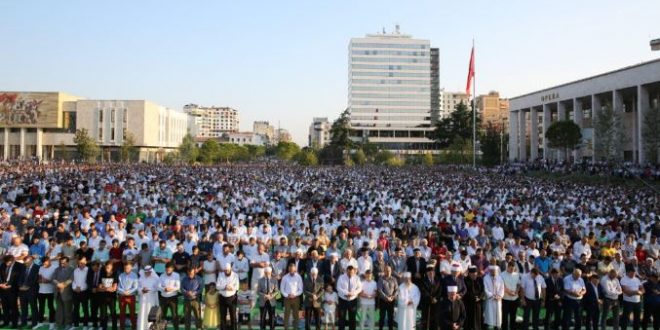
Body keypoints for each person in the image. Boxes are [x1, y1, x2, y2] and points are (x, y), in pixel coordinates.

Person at [0, 254, 24, 328]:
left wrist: (11, 285)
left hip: (13, 290)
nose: (7, 264)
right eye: (6, 262)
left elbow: (20, 278)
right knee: (4, 307)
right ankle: (6, 322)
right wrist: (1, 284)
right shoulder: (3, 265)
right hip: (3, 290)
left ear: (13, 260)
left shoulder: (20, 266)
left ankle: (14, 323)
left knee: (13, 307)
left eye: (9, 262)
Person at [337, 265, 362, 330]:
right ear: (346, 271)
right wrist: (347, 293)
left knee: (352, 318)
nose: (350, 274)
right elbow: (338, 288)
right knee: (342, 318)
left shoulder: (357, 278)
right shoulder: (341, 277)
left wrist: (353, 293)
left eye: (351, 273)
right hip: (343, 300)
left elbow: (360, 288)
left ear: (354, 272)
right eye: (348, 272)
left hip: (353, 300)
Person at [18, 254, 40, 328]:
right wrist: (20, 286)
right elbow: (19, 277)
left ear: (31, 261)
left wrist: (27, 286)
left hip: (32, 290)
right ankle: (23, 322)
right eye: (25, 262)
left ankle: (34, 323)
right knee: (23, 307)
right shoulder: (23, 267)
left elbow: (35, 279)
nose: (26, 264)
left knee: (33, 307)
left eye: (27, 262)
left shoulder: (37, 267)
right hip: (22, 291)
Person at [281, 262, 304, 330]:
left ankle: (295, 328)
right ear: (289, 269)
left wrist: (294, 295)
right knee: (286, 315)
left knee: (296, 315)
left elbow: (301, 289)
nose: (292, 271)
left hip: (296, 298)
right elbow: (282, 289)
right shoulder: (284, 277)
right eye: (290, 270)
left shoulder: (298, 277)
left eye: (293, 270)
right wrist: (287, 295)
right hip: (287, 299)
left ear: (295, 269)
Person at [158, 262, 181, 330]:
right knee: (162, 315)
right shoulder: (162, 275)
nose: (168, 271)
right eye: (167, 269)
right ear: (165, 269)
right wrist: (164, 289)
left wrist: (171, 289)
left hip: (173, 298)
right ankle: (162, 328)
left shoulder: (176, 275)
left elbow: (178, 287)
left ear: (173, 269)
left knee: (174, 315)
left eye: (169, 270)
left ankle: (176, 328)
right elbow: (158, 286)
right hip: (163, 298)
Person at [217, 262, 239, 330]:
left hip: (232, 298)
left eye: (228, 270)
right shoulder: (220, 275)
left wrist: (231, 288)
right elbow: (217, 286)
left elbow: (237, 287)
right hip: (222, 298)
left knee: (233, 316)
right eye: (225, 270)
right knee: (223, 317)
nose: (226, 272)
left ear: (230, 269)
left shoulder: (235, 275)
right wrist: (225, 287)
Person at [137, 265, 160, 330]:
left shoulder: (156, 278)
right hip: (143, 299)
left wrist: (148, 289)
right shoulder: (141, 278)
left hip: (151, 299)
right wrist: (142, 290)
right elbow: (138, 288)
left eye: (149, 272)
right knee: (142, 313)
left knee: (151, 314)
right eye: (146, 272)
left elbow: (157, 288)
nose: (147, 273)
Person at [420, 265, 442, 330]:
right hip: (426, 304)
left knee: (435, 321)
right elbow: (423, 291)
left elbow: (440, 290)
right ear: (427, 273)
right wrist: (431, 298)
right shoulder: (423, 281)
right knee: (425, 321)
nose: (431, 273)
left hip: (436, 304)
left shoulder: (438, 280)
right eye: (429, 272)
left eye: (432, 272)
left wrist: (436, 298)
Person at [98, 260, 119, 330]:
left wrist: (105, 288)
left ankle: (114, 327)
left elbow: (114, 288)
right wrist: (107, 288)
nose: (107, 269)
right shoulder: (102, 272)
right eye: (106, 267)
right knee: (103, 314)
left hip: (112, 297)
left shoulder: (115, 273)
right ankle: (104, 327)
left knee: (113, 312)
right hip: (102, 297)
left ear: (112, 267)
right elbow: (99, 287)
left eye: (109, 267)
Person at [118, 262, 139, 330]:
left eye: (128, 268)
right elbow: (118, 287)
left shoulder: (134, 275)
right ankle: (122, 328)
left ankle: (134, 327)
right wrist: (124, 292)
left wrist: (128, 292)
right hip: (122, 296)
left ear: (131, 268)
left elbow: (136, 287)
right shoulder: (121, 275)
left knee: (132, 313)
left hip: (131, 296)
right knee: (122, 313)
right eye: (125, 268)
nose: (126, 269)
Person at [377, 265, 398, 330]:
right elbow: (380, 290)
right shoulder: (381, 279)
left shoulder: (394, 279)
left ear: (391, 271)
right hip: (383, 301)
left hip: (391, 301)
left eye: (389, 270)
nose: (388, 272)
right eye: (386, 270)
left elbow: (396, 289)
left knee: (390, 318)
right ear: (384, 271)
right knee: (382, 317)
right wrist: (386, 297)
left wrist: (393, 297)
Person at [501, 262, 521, 330]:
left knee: (513, 316)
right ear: (508, 267)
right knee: (505, 316)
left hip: (515, 299)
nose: (512, 270)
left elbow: (518, 284)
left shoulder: (516, 274)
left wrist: (516, 291)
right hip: (505, 299)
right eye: (511, 268)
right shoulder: (502, 274)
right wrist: (509, 292)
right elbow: (502, 286)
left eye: (513, 269)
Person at [463, 266, 485, 330]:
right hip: (468, 303)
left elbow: (483, 290)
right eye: (473, 275)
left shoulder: (480, 279)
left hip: (478, 303)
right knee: (468, 320)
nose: (474, 276)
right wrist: (472, 297)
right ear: (469, 274)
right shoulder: (465, 280)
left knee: (478, 319)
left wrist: (479, 297)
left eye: (475, 274)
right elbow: (465, 291)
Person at [484, 265, 504, 330]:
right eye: (492, 271)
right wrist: (492, 296)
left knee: (498, 316)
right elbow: (485, 289)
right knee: (489, 315)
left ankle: (497, 327)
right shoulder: (486, 278)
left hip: (498, 300)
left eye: (495, 271)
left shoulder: (500, 278)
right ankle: (488, 326)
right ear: (490, 271)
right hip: (490, 300)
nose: (493, 272)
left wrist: (499, 296)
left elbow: (502, 288)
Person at [72, 255, 90, 328]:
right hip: (75, 292)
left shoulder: (88, 270)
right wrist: (75, 288)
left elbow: (88, 281)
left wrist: (81, 288)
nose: (81, 264)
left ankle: (85, 324)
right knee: (76, 308)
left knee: (85, 308)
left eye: (83, 262)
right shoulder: (75, 270)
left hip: (84, 292)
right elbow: (73, 281)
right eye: (80, 263)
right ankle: (76, 324)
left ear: (85, 262)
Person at [38, 256, 57, 324]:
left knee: (50, 306)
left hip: (50, 291)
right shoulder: (41, 267)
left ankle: (52, 321)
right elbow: (39, 277)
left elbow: (55, 279)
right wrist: (41, 280)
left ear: (49, 261)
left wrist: (48, 281)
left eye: (45, 263)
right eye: (43, 263)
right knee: (41, 307)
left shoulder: (54, 268)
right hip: (41, 291)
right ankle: (40, 321)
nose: (44, 264)